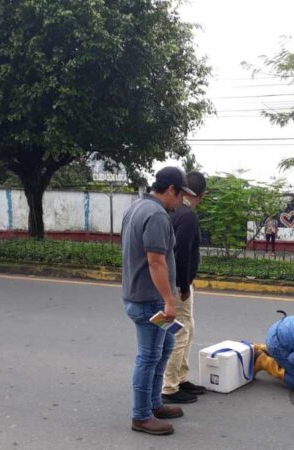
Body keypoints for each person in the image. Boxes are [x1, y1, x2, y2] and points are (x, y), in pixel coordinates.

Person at [121, 166, 195, 436]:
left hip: (143, 297)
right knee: (149, 356)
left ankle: (154, 404)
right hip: (151, 301)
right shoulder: (156, 215)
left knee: (166, 346)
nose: (182, 201)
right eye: (181, 195)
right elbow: (155, 262)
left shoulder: (136, 207)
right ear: (171, 190)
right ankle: (141, 416)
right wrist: (169, 300)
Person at [162, 172, 208, 404]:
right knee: (180, 334)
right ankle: (169, 388)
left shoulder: (175, 212)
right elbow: (180, 254)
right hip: (179, 286)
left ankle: (180, 378)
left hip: (174, 284)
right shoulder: (187, 215)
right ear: (202, 194)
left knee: (187, 331)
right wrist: (183, 286)